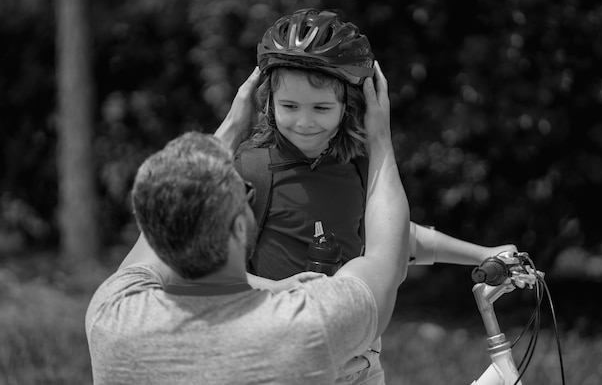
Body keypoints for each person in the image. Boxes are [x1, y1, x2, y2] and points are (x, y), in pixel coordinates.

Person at [235, 9, 517, 384]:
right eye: (289, 106)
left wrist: (482, 254)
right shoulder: (252, 169)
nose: (303, 122)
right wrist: (277, 289)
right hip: (286, 360)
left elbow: (396, 237)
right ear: (269, 102)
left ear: (349, 107)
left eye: (321, 108)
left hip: (363, 362)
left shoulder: (354, 165)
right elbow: (213, 272)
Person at [85, 64, 411, 384]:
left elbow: (161, 226)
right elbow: (387, 259)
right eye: (244, 193)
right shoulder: (309, 328)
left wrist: (230, 125)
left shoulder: (112, 315)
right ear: (241, 228)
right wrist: (380, 138)